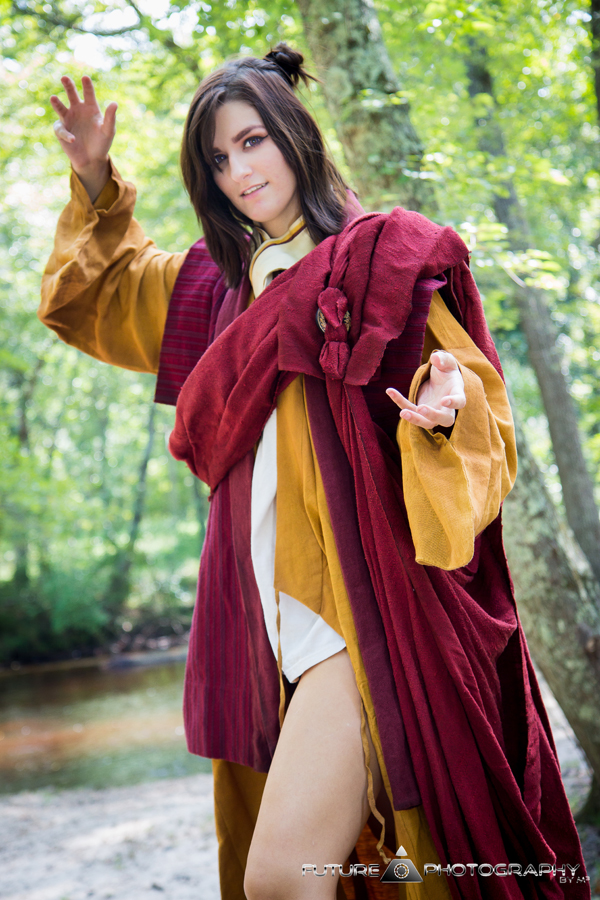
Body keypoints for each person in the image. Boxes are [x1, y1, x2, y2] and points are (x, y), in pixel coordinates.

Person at [40, 45, 588, 900]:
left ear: (295, 136)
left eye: (252, 141)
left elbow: (471, 393)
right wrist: (93, 177)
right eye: (218, 159)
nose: (239, 172)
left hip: (353, 610)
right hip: (261, 626)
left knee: (281, 880)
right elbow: (94, 298)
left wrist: (446, 408)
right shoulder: (215, 292)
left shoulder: (383, 260)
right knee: (341, 875)